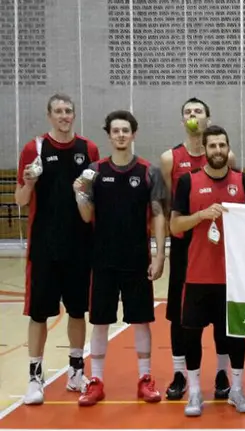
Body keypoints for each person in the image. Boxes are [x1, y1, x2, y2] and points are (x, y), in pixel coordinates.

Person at [72, 110, 167, 406]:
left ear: (134, 134)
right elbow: (87, 215)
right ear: (109, 135)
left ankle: (145, 378)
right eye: (116, 131)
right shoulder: (95, 170)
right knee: (99, 321)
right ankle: (96, 381)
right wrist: (80, 194)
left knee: (141, 321)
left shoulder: (148, 171)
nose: (121, 135)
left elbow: (159, 215)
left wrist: (160, 255)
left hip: (137, 259)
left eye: (126, 130)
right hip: (102, 260)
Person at [16, 94, 100, 405]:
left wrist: (84, 196)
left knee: (78, 311)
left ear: (74, 116)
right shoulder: (34, 148)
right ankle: (35, 377)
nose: (64, 116)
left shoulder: (88, 149)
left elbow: (91, 200)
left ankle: (76, 371)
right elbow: (21, 200)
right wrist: (27, 182)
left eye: (68, 111)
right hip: (44, 247)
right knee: (38, 314)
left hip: (80, 246)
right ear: (49, 115)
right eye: (58, 111)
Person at [170, 125, 245, 417]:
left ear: (228, 148)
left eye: (222, 145)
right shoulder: (187, 182)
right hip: (196, 276)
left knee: (234, 336)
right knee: (191, 336)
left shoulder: (243, 182)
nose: (218, 151)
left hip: (233, 278)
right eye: (213, 146)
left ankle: (237, 389)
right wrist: (201, 216)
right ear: (204, 150)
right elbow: (174, 226)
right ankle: (194, 392)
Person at [160, 98, 236, 400]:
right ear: (183, 120)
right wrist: (160, 250)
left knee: (221, 314)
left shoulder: (225, 155)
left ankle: (221, 373)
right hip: (184, 248)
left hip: (218, 250)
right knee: (180, 316)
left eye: (198, 112)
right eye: (188, 112)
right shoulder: (170, 159)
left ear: (208, 118)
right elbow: (166, 207)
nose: (193, 116)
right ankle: (179, 373)